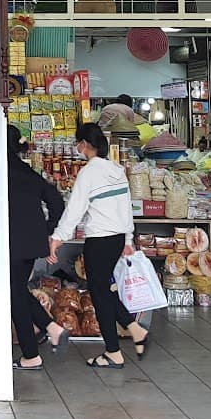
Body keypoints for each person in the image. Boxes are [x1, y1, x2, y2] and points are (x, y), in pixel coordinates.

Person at [48, 123, 146, 368]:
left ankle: (113, 351)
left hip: (99, 240)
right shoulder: (116, 169)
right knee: (103, 290)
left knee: (100, 294)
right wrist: (127, 239)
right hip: (115, 240)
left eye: (77, 144)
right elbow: (126, 207)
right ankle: (134, 329)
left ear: (84, 144)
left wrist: (58, 237)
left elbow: (75, 209)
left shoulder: (89, 173)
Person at [7, 126, 70, 370]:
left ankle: (38, 345)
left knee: (15, 295)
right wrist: (47, 229)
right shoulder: (28, 172)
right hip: (32, 242)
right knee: (16, 292)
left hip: (9, 241)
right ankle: (44, 338)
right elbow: (56, 200)